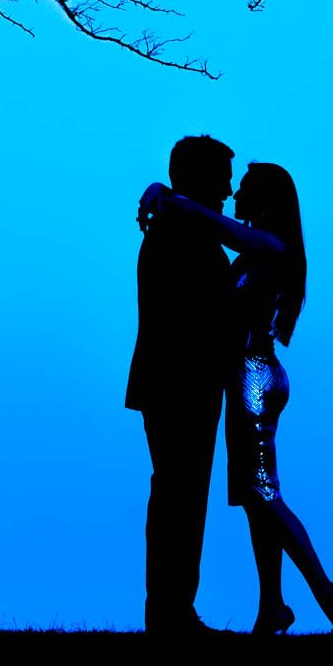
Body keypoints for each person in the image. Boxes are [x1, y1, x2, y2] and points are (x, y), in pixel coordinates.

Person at [138, 160, 333, 635]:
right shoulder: (258, 246)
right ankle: (272, 607)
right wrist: (165, 191)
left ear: (263, 199)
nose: (234, 193)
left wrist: (170, 195)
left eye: (243, 187)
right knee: (255, 499)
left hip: (254, 380)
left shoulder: (270, 244)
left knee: (263, 496)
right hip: (249, 377)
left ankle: (328, 590)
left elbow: (221, 227)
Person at [126, 135, 237, 635]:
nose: (230, 190)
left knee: (179, 494)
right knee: (180, 495)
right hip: (180, 381)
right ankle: (171, 612)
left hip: (178, 380)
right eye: (222, 178)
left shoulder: (178, 221)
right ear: (199, 179)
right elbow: (193, 312)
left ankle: (171, 610)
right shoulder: (180, 226)